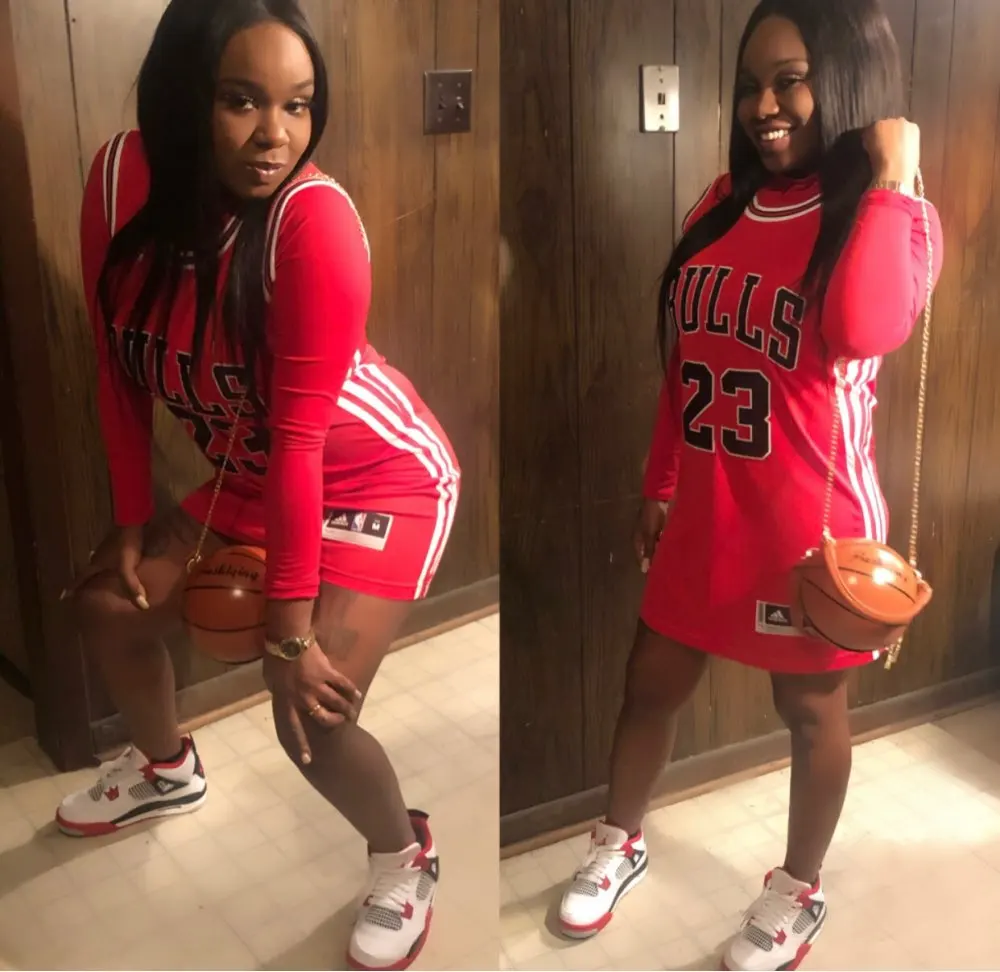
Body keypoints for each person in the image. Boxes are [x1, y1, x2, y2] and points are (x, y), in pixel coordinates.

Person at [59, 1, 460, 969]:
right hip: (258, 468)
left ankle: (405, 853)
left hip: (379, 476)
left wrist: (288, 632)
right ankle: (167, 769)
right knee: (107, 606)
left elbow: (303, 438)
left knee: (309, 711)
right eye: (242, 100)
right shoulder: (116, 185)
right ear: (183, 95)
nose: (275, 135)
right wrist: (129, 518)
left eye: (298, 104)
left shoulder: (313, 224)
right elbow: (117, 366)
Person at [556, 1, 942, 970]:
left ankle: (797, 890)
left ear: (846, 80)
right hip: (706, 507)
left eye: (790, 81)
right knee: (649, 683)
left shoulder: (895, 219)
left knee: (809, 714)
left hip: (810, 530)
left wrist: (890, 175)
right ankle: (618, 839)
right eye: (750, 86)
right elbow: (685, 360)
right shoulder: (720, 203)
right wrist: (659, 479)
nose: (763, 106)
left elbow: (862, 328)